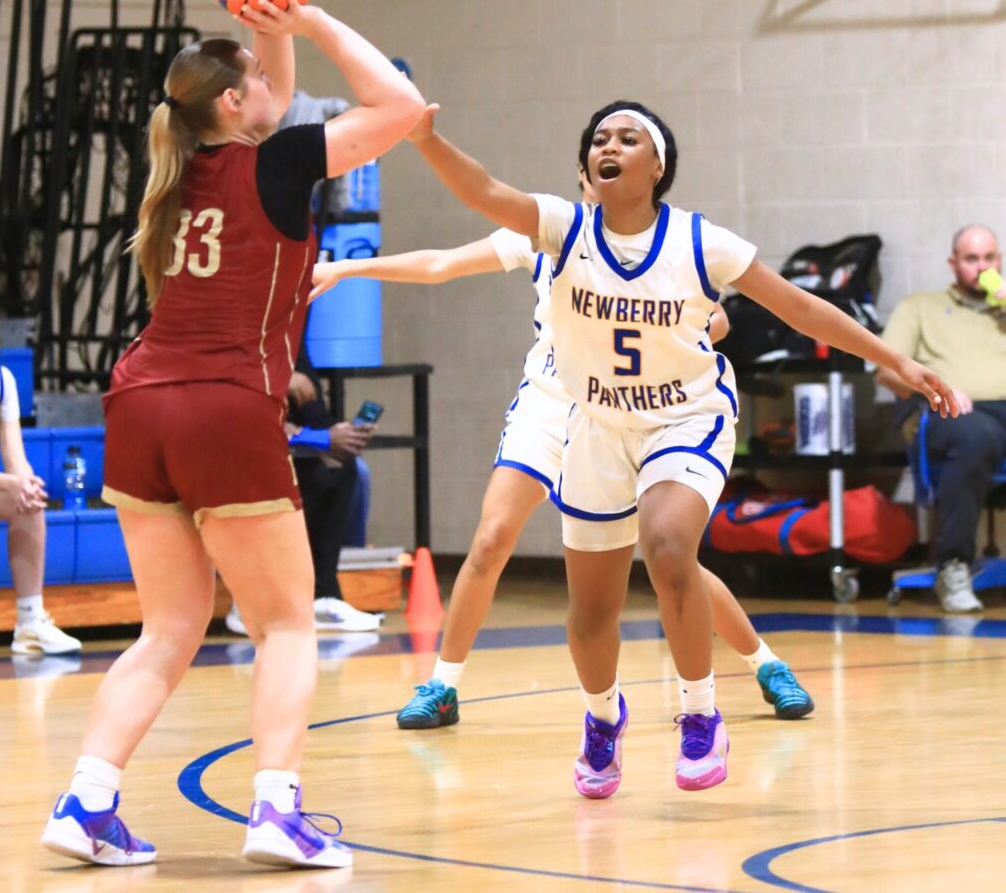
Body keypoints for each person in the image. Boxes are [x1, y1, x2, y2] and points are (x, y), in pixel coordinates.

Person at [379, 98, 955, 798]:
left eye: (627, 137)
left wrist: (896, 362)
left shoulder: (700, 243)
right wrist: (428, 140)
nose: (608, 146)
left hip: (686, 417)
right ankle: (601, 720)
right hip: (595, 423)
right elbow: (484, 193)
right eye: (598, 138)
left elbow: (801, 307)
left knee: (669, 545)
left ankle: (701, 713)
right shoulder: (561, 229)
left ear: (658, 165)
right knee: (592, 609)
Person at [40, 0, 424, 869]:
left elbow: (274, 100)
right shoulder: (279, 165)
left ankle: (86, 799)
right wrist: (319, 20)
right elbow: (397, 108)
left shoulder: (177, 175)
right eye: (257, 79)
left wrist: (267, 25)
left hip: (139, 402)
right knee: (286, 623)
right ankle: (276, 813)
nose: (276, 93)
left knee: (168, 630)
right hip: (222, 402)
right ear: (231, 103)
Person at [312, 170, 816, 746]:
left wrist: (691, 332)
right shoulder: (549, 229)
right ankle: (442, 685)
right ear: (582, 178)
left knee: (671, 561)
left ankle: (764, 663)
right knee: (491, 537)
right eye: (595, 166)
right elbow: (440, 264)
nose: (605, 177)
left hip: (623, 410)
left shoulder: (664, 245)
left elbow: (716, 320)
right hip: (552, 401)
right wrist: (349, 267)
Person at [876, 225, 1006, 613]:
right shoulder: (920, 306)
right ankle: (953, 565)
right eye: (971, 259)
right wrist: (938, 388)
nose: (981, 267)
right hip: (946, 412)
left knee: (983, 432)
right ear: (953, 263)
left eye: (989, 258)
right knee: (975, 435)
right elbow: (885, 371)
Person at [224, 340, 382, 635]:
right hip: (222, 436)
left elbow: (313, 410)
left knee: (339, 468)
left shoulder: (290, 332)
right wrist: (281, 383)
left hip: (275, 437)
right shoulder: (236, 330)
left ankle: (323, 596)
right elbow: (229, 400)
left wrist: (339, 434)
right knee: (278, 471)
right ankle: (248, 601)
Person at [0, 308, 81, 656]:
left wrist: (26, 485)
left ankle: (30, 624)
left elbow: (15, 456)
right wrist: (9, 484)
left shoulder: (2, 380)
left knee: (28, 504)